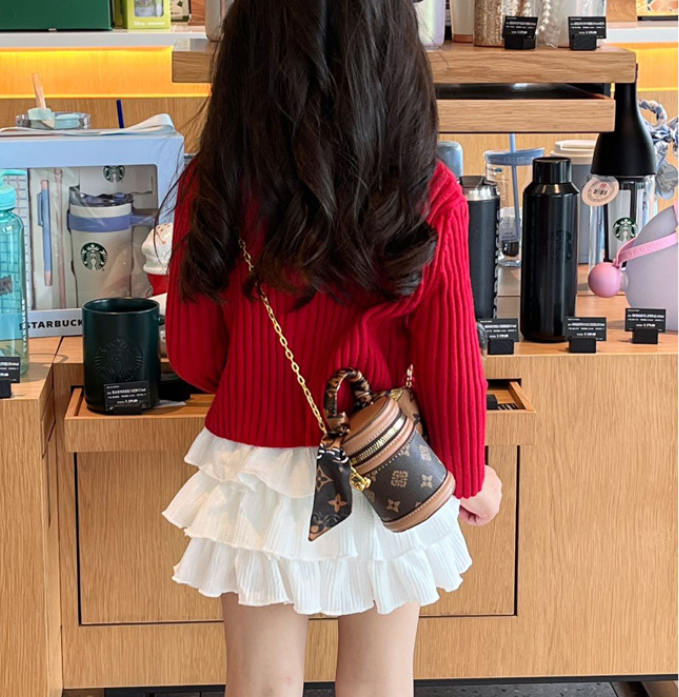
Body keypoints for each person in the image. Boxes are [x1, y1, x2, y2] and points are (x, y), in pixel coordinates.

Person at [162, 1, 503, 695]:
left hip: (254, 471)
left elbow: (194, 361)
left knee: (261, 684)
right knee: (380, 681)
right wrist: (470, 477)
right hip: (382, 461)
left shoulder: (213, 184)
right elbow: (453, 366)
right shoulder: (427, 192)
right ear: (392, 51)